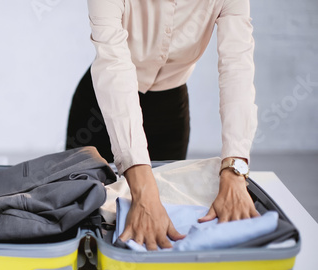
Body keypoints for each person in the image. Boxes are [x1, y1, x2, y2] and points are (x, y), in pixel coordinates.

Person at [66, 0, 259, 250]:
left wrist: (235, 169)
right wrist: (144, 190)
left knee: (159, 230)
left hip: (170, 112)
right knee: (82, 230)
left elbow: (237, 69)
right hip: (101, 111)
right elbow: (114, 68)